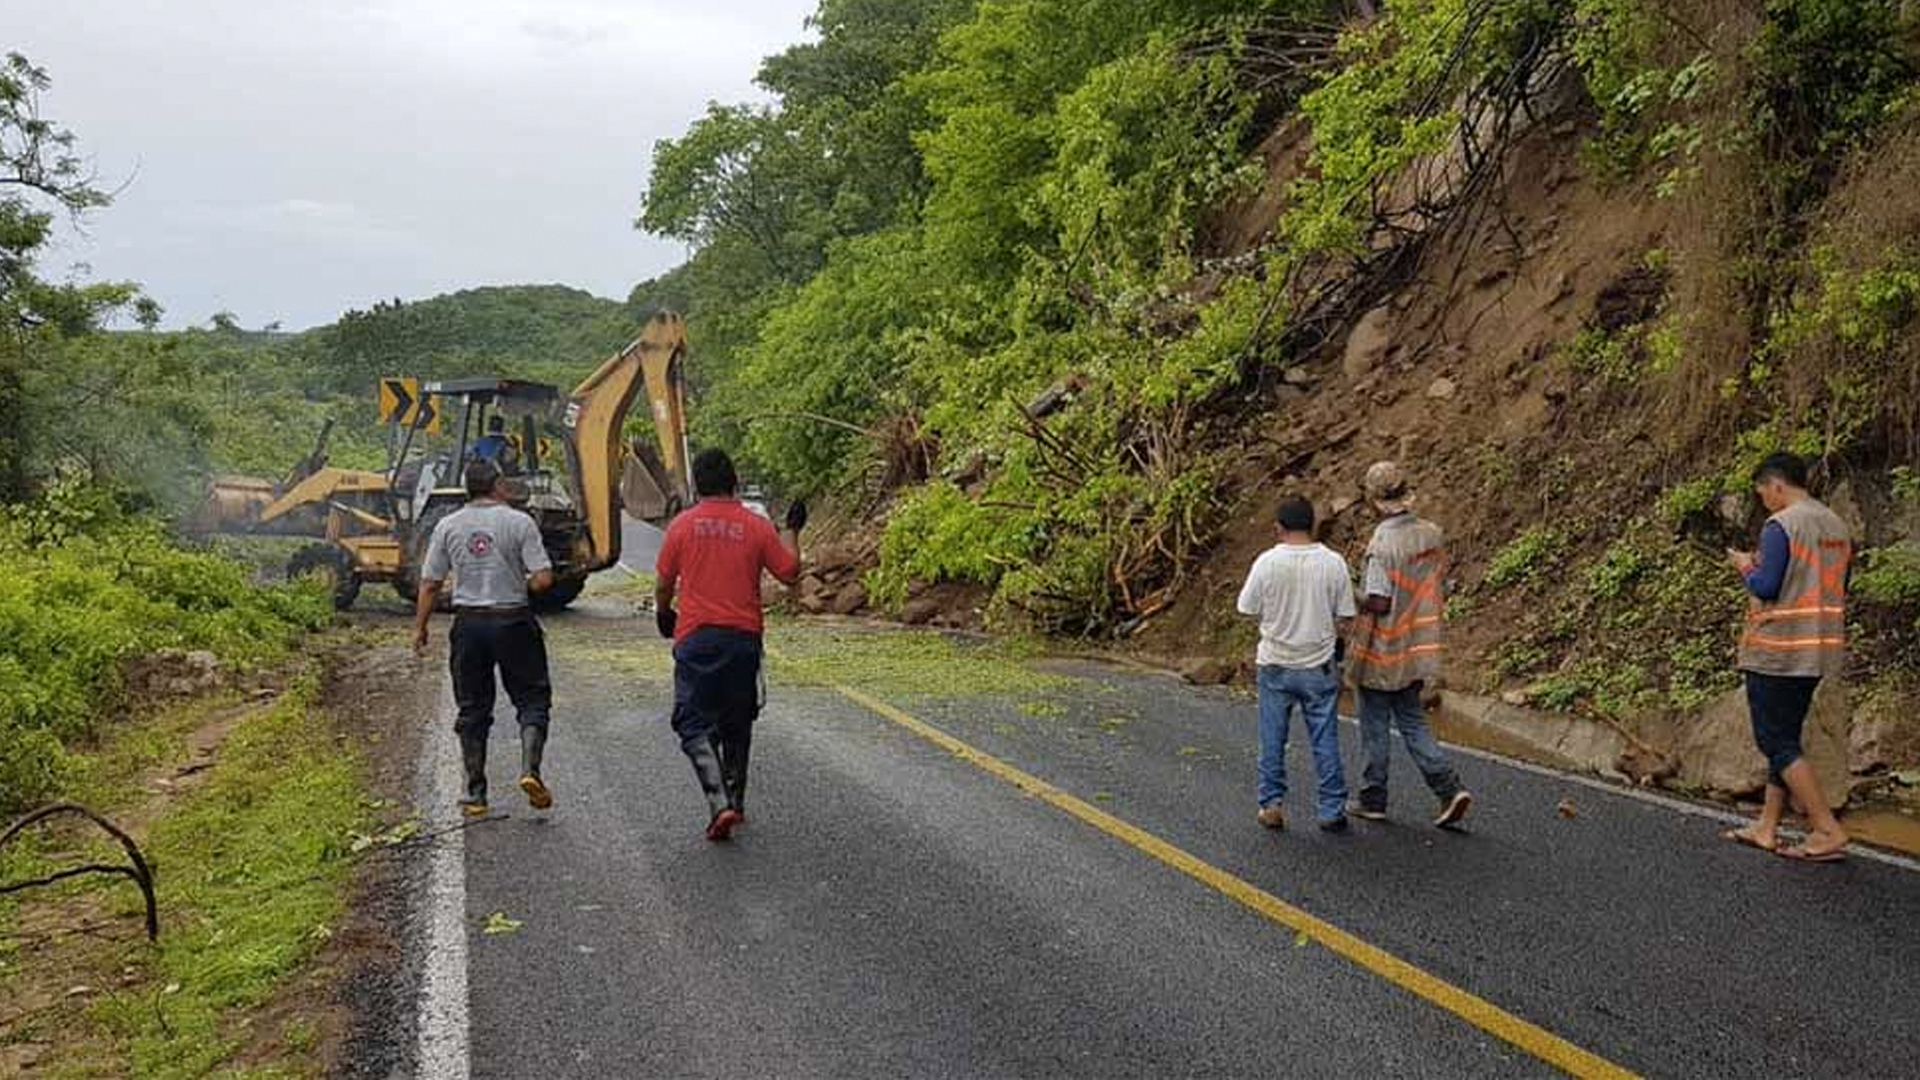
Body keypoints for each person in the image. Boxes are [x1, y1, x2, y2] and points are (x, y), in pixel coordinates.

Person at [654, 448, 806, 842]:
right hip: (743, 640)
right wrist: (792, 530)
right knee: (738, 719)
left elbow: (664, 582)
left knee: (692, 722)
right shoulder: (756, 526)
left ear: (697, 484)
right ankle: (735, 801)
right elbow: (789, 572)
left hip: (696, 638)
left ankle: (718, 800)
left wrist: (663, 613)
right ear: (734, 482)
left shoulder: (681, 526)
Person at [1722, 452, 1852, 862]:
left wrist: (1745, 566)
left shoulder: (1782, 525)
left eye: (1763, 493)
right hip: (1819, 648)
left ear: (1776, 485)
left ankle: (1826, 829)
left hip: (1779, 650)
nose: (1764, 502)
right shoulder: (1835, 524)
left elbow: (1766, 586)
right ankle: (1767, 825)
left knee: (1774, 739)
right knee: (1787, 737)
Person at [413, 460, 558, 817]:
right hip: (513, 621)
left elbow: (430, 583)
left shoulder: (448, 525)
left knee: (472, 708)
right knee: (532, 699)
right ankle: (530, 770)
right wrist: (520, 583)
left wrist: (420, 628)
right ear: (498, 485)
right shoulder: (519, 522)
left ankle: (475, 793)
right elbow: (543, 579)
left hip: (469, 625)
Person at [1348, 462, 1473, 828]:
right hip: (1418, 646)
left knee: (1375, 725)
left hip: (1382, 649)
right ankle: (1449, 788)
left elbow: (1379, 601)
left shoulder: (1382, 545)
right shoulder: (1431, 534)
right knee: (1412, 720)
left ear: (1374, 500)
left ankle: (1373, 798)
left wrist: (1349, 591)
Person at [1235, 495, 1356, 832]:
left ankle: (1271, 804)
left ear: (1278, 528)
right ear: (1313, 525)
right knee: (1325, 738)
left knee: (1272, 738)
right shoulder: (1333, 563)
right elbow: (1346, 614)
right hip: (1318, 664)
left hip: (1275, 662)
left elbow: (1246, 607)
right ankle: (1331, 808)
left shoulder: (1266, 563)